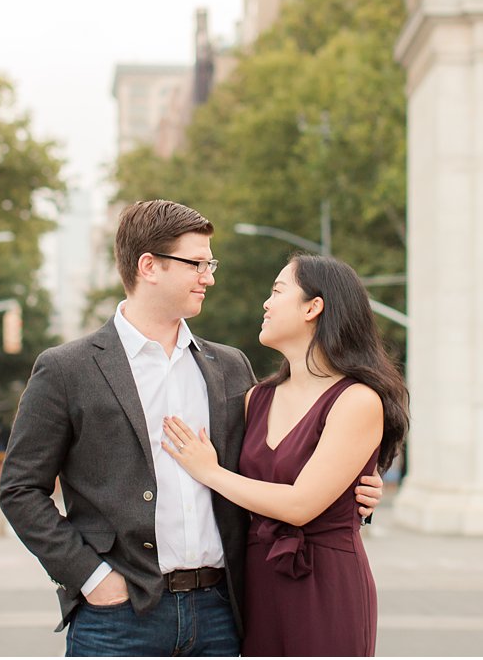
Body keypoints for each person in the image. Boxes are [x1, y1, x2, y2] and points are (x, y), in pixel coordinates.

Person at [0, 200, 383, 656]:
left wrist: (355, 490)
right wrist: (92, 577)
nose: (209, 276)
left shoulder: (231, 367)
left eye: (210, 263)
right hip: (120, 617)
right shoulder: (67, 369)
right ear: (150, 267)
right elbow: (20, 488)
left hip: (223, 612)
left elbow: (275, 462)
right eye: (197, 264)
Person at [162, 254, 409, 657]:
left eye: (277, 291)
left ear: (313, 307)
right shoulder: (255, 398)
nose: (266, 303)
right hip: (256, 585)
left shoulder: (357, 400)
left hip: (326, 585)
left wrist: (208, 471)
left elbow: (300, 505)